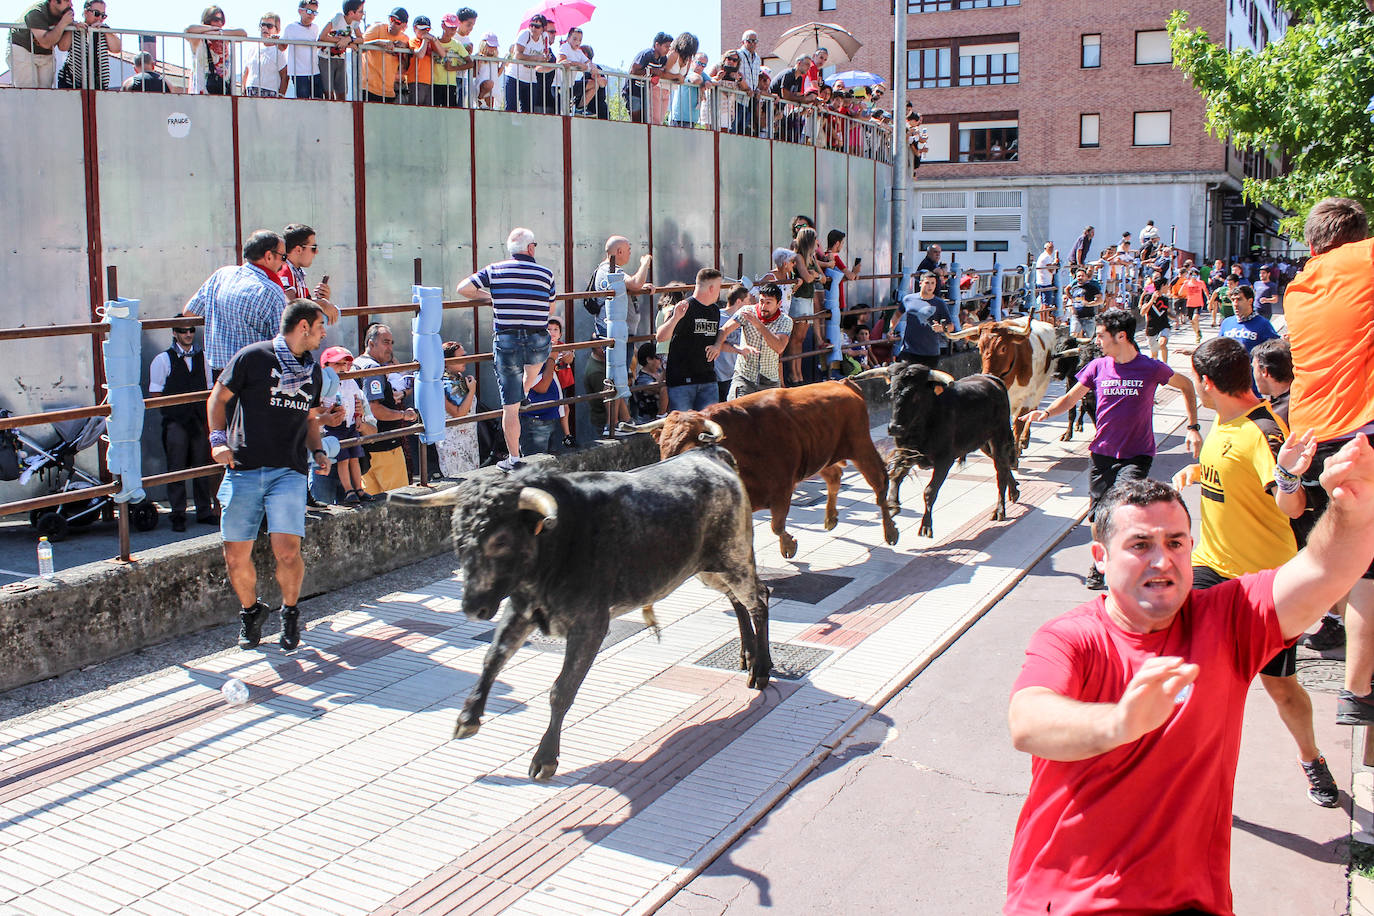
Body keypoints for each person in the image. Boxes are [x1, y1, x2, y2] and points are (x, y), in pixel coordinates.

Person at [1005, 436, 1374, 915]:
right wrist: (1119, 723)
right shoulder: (1069, 638)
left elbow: (1326, 569)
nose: (1162, 560)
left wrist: (1353, 504)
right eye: (1140, 544)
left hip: (1194, 900)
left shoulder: (1231, 617)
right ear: (1100, 557)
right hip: (1066, 900)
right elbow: (1029, 721)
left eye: (1175, 542)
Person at [1171, 337, 1338, 807]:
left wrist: (1287, 474)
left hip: (1264, 585)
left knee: (1281, 688)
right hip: (1209, 570)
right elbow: (1231, 476)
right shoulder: (1223, 424)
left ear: (1206, 383)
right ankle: (1194, 774)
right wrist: (1197, 473)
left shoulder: (1262, 430)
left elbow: (1293, 505)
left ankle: (1312, 759)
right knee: (1192, 671)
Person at [1026, 308, 1203, 589]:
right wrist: (1045, 414)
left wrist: (1193, 427)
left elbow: (1187, 386)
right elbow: (1071, 399)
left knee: (1121, 508)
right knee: (1097, 516)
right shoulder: (1098, 367)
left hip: (1137, 455)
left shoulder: (1151, 368)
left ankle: (1127, 564)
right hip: (1102, 453)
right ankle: (1102, 563)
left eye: (1100, 336)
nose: (1096, 341)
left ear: (1121, 336)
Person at [1280, 197, 1374, 723]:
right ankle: (1358, 692)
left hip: (1312, 436)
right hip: (1361, 429)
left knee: (1326, 549)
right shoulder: (1366, 260)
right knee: (1369, 570)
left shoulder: (1298, 288)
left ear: (1313, 245)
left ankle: (1311, 628)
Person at [207, 299, 330, 653]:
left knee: (287, 551)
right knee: (235, 555)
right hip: (243, 467)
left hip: (288, 470)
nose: (323, 333)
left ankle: (290, 613)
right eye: (320, 325)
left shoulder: (313, 370)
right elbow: (218, 398)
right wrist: (218, 441)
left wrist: (318, 450)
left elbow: (308, 416)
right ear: (303, 326)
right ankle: (250, 611)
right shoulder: (254, 357)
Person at [1251, 338, 1347, 652]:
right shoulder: (1306, 398)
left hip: (1309, 497)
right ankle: (1335, 620)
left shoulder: (1279, 413)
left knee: (1325, 565)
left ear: (1265, 371)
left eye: (1254, 368)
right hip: (1321, 491)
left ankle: (1339, 624)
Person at [454, 227, 556, 471]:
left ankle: (513, 458)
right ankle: (527, 387)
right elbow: (550, 310)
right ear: (531, 248)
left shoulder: (495, 270)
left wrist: (490, 298)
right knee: (536, 364)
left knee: (509, 408)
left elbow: (463, 288)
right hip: (537, 341)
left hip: (507, 340)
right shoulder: (546, 274)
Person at [183, 230, 290, 375]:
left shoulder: (222, 275)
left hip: (221, 373)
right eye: (283, 257)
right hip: (256, 374)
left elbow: (189, 312)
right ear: (269, 256)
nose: (284, 264)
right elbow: (285, 342)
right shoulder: (271, 290)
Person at [147, 324, 218, 532]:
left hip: (197, 419)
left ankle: (203, 511)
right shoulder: (163, 360)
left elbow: (209, 387)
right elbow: (155, 393)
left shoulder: (204, 357)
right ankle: (178, 513)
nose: (188, 334)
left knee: (201, 467)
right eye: (182, 330)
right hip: (175, 421)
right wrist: (174, 411)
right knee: (175, 468)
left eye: (191, 330)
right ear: (174, 333)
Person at [350, 323, 416, 493]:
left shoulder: (356, 364)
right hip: (385, 448)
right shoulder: (373, 368)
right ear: (371, 344)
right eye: (386, 342)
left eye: (392, 343)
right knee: (399, 502)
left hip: (364, 447)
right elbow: (375, 409)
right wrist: (404, 415)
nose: (390, 347)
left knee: (372, 504)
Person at [657, 267, 723, 412]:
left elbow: (719, 333)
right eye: (719, 287)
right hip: (682, 381)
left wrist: (717, 345)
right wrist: (675, 318)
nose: (720, 292)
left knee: (708, 427)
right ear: (712, 288)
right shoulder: (684, 307)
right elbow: (661, 337)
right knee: (683, 427)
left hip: (708, 379)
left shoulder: (715, 310)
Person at [717, 283, 790, 400]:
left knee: (770, 417)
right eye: (761, 301)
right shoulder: (747, 311)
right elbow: (724, 330)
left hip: (769, 381)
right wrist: (717, 346)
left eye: (768, 303)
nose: (763, 306)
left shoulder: (785, 321)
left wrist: (758, 325)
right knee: (734, 411)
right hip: (745, 377)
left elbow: (779, 347)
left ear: (779, 304)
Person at [317, 346, 368, 504]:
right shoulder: (322, 385)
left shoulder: (350, 381)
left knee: (354, 458)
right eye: (336, 364)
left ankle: (359, 488)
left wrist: (358, 416)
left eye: (344, 363)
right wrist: (328, 412)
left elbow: (356, 400)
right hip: (334, 427)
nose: (342, 367)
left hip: (350, 425)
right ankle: (348, 489)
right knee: (343, 459)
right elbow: (315, 407)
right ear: (325, 366)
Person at [277, 223, 339, 324]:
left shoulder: (297, 271)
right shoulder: (285, 269)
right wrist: (321, 304)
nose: (317, 252)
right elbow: (292, 305)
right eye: (313, 248)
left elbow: (305, 302)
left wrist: (321, 299)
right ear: (298, 250)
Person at [436, 341, 479, 476]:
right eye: (460, 357)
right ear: (447, 362)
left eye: (465, 356)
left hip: (469, 440)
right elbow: (459, 413)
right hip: (453, 444)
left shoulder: (459, 378)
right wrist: (472, 390)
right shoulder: (441, 384)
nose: (465, 360)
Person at [56, 0, 121, 89]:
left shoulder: (105, 30)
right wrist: (73, 26)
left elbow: (117, 48)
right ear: (86, 12)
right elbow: (63, 47)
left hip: (98, 86)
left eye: (103, 15)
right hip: (71, 84)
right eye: (96, 13)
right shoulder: (75, 28)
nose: (99, 18)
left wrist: (106, 31)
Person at [7, 0, 72, 88]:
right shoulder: (36, 12)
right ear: (53, 1)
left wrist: (71, 26)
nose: (70, 4)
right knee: (28, 91)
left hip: (45, 55)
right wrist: (63, 23)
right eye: (67, 0)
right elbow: (46, 43)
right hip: (23, 50)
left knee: (44, 94)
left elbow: (63, 47)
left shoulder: (63, 15)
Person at [893, 271, 951, 368]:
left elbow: (951, 326)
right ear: (920, 283)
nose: (930, 286)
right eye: (927, 283)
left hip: (930, 353)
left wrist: (942, 328)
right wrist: (891, 329)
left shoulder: (940, 303)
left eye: (933, 283)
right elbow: (897, 315)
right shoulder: (908, 299)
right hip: (909, 351)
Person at [186, 5, 246, 95]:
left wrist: (220, 33)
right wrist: (211, 29)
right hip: (202, 90)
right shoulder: (198, 39)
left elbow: (243, 34)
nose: (220, 23)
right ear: (208, 20)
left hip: (223, 89)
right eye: (216, 20)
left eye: (222, 20)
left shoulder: (224, 39)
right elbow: (188, 30)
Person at [360, 7, 410, 102]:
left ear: (404, 25)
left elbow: (406, 67)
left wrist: (404, 52)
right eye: (391, 19)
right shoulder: (377, 28)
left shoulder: (405, 39)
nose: (393, 24)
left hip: (388, 91)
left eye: (397, 22)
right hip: (368, 88)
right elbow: (358, 47)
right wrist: (378, 42)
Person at [520, 353, 565, 457]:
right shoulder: (530, 354)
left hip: (550, 414)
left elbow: (568, 360)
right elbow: (542, 387)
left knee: (549, 462)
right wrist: (551, 359)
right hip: (536, 418)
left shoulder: (542, 349)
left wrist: (567, 354)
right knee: (536, 464)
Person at [317, 0, 363, 100]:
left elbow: (361, 39)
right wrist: (341, 41)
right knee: (328, 92)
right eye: (361, 11)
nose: (363, 14)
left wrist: (349, 40)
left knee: (342, 92)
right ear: (351, 13)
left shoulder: (355, 23)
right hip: (326, 58)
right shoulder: (338, 18)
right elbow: (323, 36)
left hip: (341, 58)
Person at [1218, 284, 1279, 357]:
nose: (1235, 304)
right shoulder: (1226, 322)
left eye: (1239, 299)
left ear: (1250, 301)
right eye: (1233, 300)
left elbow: (1276, 351)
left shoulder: (1263, 324)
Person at [505, 13, 549, 113]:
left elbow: (545, 56)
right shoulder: (525, 34)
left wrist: (545, 58)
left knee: (528, 111)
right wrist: (537, 58)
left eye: (537, 26)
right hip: (514, 76)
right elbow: (517, 55)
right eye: (531, 25)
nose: (533, 28)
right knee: (511, 108)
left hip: (530, 78)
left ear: (543, 28)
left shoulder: (544, 38)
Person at [625, 31, 670, 123]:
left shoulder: (663, 59)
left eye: (669, 47)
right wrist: (651, 71)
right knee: (637, 120)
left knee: (646, 120)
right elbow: (633, 71)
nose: (668, 50)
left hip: (646, 93)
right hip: (634, 91)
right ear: (657, 45)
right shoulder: (647, 54)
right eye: (666, 46)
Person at [282, 0, 322, 99]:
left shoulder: (315, 28)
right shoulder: (290, 28)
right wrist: (274, 40)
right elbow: (282, 46)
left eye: (315, 12)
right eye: (309, 11)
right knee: (303, 101)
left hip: (314, 70)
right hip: (299, 73)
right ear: (300, 11)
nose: (312, 15)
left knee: (318, 100)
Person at [242, 14, 288, 97]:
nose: (265, 28)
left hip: (270, 92)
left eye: (269, 26)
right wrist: (243, 89)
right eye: (262, 25)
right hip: (251, 90)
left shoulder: (279, 52)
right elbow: (246, 71)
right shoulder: (252, 49)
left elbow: (284, 75)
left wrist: (281, 95)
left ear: (277, 30)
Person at [546, 318, 575, 447]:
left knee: (564, 407)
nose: (552, 332)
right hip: (546, 385)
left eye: (555, 329)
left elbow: (570, 359)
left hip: (560, 384)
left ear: (560, 334)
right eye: (549, 329)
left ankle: (567, 435)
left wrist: (568, 354)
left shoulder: (563, 346)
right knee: (556, 410)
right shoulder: (542, 347)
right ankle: (566, 435)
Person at [406, 15, 440, 106]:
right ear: (414, 28)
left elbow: (442, 53)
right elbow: (420, 54)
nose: (424, 32)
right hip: (415, 81)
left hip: (429, 82)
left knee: (427, 111)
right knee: (415, 109)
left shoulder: (431, 42)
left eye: (427, 29)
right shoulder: (413, 41)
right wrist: (425, 40)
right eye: (421, 29)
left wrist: (434, 39)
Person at [1139, 270, 1171, 362]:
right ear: (1162, 286)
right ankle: (1157, 370)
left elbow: (1166, 311)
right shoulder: (1148, 297)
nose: (1168, 287)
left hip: (1164, 325)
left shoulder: (1165, 299)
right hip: (1152, 327)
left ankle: (1165, 366)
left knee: (1162, 343)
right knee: (1154, 354)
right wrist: (1152, 300)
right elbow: (1142, 312)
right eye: (1166, 285)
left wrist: (1175, 318)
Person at [1063, 266, 1103, 337]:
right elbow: (1067, 290)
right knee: (1073, 335)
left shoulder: (1092, 288)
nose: (1080, 278)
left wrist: (1089, 304)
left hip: (1089, 317)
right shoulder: (1074, 288)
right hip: (1076, 316)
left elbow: (1100, 301)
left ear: (1086, 277)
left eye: (1082, 276)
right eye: (1078, 276)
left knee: (1089, 338)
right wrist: (1071, 299)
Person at [630, 341, 665, 422]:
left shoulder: (659, 371)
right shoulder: (642, 378)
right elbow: (657, 388)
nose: (660, 360)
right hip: (647, 420)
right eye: (658, 357)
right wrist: (665, 371)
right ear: (649, 359)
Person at [734, 30, 761, 135]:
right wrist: (746, 88)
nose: (753, 43)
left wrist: (756, 90)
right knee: (734, 129)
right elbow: (736, 75)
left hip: (750, 100)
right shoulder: (737, 55)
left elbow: (755, 77)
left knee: (743, 131)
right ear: (743, 42)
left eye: (755, 41)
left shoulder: (758, 58)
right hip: (738, 98)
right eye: (750, 41)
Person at [1033, 242, 1059, 317]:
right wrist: (1055, 262)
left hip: (1042, 281)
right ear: (1045, 248)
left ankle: (1043, 319)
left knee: (1043, 302)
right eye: (1050, 247)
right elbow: (1050, 270)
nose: (1051, 249)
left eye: (1052, 247)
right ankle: (1044, 319)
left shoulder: (1044, 256)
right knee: (1046, 303)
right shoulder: (1046, 257)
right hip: (1045, 282)